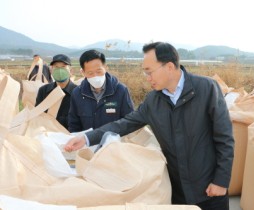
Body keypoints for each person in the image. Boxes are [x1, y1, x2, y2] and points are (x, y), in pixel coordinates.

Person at [64, 42, 234, 210]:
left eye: (149, 72)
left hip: (210, 188)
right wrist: (86, 138)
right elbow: (123, 124)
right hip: (177, 190)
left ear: (168, 66)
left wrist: (221, 180)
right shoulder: (153, 101)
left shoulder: (206, 89)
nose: (147, 78)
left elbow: (224, 138)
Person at [68, 49, 134, 132]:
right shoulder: (77, 93)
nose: (95, 76)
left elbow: (129, 121)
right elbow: (73, 124)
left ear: (105, 67)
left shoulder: (121, 90)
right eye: (90, 73)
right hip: (87, 143)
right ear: (83, 72)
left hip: (114, 142)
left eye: (99, 71)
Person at [35, 54, 77, 129]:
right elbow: (38, 116)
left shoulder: (78, 92)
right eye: (56, 67)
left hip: (70, 137)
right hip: (47, 135)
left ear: (71, 70)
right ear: (51, 70)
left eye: (63, 66)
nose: (60, 70)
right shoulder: (43, 91)